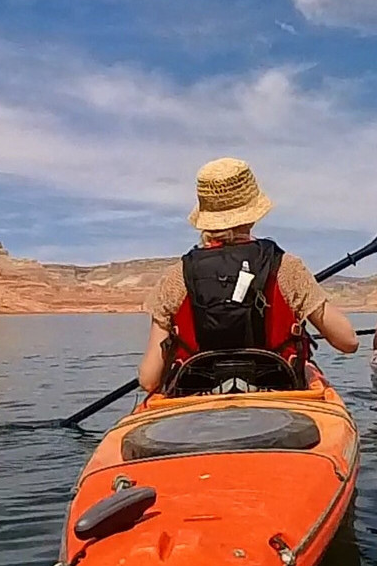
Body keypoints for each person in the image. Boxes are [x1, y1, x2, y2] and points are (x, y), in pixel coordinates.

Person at [138, 157, 358, 392]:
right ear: (253, 214)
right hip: (278, 400)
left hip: (198, 406)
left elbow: (149, 379)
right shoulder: (287, 268)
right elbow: (348, 342)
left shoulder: (176, 277)